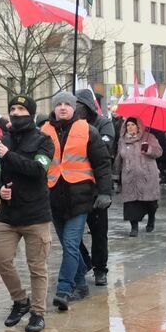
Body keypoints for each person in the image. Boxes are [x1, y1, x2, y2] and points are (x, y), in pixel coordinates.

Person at [0, 94, 54, 332]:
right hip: (8, 215)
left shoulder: (44, 140)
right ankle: (20, 300)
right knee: (1, 259)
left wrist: (9, 156)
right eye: (12, 109)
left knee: (37, 267)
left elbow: (38, 170)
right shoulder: (3, 139)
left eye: (21, 108)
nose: (16, 113)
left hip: (35, 214)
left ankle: (38, 313)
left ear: (31, 113)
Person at [44, 92, 112, 311]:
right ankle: (82, 284)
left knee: (71, 244)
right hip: (54, 198)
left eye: (67, 104)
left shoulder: (88, 131)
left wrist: (104, 193)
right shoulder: (43, 133)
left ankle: (64, 289)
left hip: (80, 199)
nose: (63, 107)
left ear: (75, 108)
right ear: (53, 109)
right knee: (68, 245)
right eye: (58, 104)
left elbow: (102, 163)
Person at [75, 89, 115, 286]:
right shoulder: (70, 126)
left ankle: (101, 269)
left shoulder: (103, 123)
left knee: (99, 233)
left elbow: (105, 150)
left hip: (96, 188)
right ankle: (85, 261)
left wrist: (105, 192)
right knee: (71, 235)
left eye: (79, 105)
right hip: (75, 190)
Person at [116, 117, 162, 236]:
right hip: (129, 177)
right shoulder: (122, 140)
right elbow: (119, 157)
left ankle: (151, 218)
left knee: (150, 203)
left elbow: (159, 152)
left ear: (138, 126)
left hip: (147, 176)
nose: (130, 127)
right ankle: (134, 228)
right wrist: (116, 175)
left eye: (132, 125)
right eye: (128, 125)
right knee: (131, 204)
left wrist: (149, 149)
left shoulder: (148, 137)